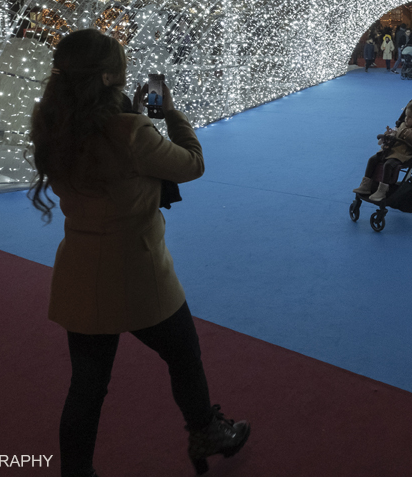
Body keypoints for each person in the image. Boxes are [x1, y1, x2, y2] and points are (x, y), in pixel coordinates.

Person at [29, 29, 250, 477]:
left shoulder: (53, 122)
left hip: (80, 274)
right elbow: (191, 163)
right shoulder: (131, 130)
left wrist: (126, 113)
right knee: (184, 355)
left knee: (87, 387)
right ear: (110, 75)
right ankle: (207, 432)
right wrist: (169, 113)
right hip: (139, 274)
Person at [352, 100, 412, 203]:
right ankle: (366, 185)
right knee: (372, 159)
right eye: (406, 116)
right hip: (391, 149)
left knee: (388, 165)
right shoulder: (403, 125)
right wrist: (390, 135)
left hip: (403, 153)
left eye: (410, 117)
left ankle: (382, 190)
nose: (406, 119)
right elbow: (396, 133)